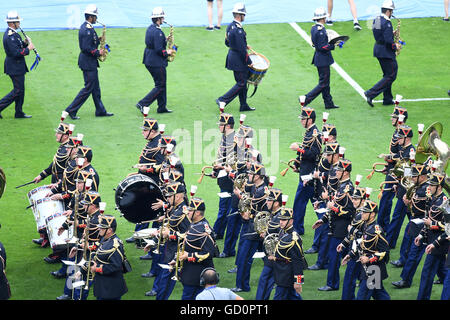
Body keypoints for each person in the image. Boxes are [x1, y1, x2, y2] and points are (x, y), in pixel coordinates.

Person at [313, 158, 355, 291]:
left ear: (346, 173)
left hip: (341, 227)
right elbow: (333, 207)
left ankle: (332, 284)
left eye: (339, 170)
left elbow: (350, 211)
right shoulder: (340, 186)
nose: (336, 172)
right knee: (347, 255)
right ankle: (359, 276)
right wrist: (323, 220)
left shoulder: (347, 188)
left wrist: (334, 208)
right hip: (334, 225)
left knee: (334, 256)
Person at [64, 4, 113, 120]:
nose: (96, 19)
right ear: (91, 17)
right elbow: (85, 47)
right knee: (88, 88)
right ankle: (71, 110)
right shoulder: (86, 29)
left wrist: (99, 40)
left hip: (89, 62)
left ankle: (100, 110)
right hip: (87, 62)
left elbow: (90, 42)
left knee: (95, 88)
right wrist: (98, 52)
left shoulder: (88, 27)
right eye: (95, 16)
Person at [342, 200, 391, 300]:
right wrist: (350, 254)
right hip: (368, 269)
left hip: (373, 270)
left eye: (365, 212)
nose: (362, 214)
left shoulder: (377, 230)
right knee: (379, 294)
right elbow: (361, 243)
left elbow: (385, 251)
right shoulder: (366, 226)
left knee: (362, 296)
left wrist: (369, 259)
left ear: (372, 214)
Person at [232, 163, 268, 293]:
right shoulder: (257, 188)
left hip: (254, 228)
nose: (249, 175)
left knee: (244, 258)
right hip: (255, 227)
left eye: (251, 174)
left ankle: (242, 286)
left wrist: (241, 196)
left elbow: (251, 206)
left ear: (258, 176)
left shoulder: (260, 191)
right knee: (268, 257)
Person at [216, 3, 254, 112]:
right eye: (243, 15)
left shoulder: (230, 26)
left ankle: (243, 105)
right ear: (239, 15)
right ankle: (222, 100)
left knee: (242, 82)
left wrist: (241, 45)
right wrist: (249, 61)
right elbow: (242, 50)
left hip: (233, 57)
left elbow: (227, 42)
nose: (244, 17)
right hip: (239, 60)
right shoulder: (238, 30)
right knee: (241, 83)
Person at [290, 107, 322, 235]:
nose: (301, 121)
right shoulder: (309, 132)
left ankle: (297, 229)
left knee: (300, 204)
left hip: (308, 176)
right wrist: (297, 164)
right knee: (314, 203)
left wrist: (298, 149)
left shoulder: (315, 134)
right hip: (306, 173)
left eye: (303, 119)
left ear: (310, 119)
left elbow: (314, 154)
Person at [136, 7, 174, 114]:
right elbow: (159, 49)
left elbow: (152, 42)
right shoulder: (158, 32)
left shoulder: (151, 28)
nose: (163, 19)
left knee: (161, 84)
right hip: (156, 62)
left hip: (149, 59)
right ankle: (143, 103)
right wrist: (168, 52)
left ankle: (162, 107)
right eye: (162, 18)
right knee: (160, 85)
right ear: (158, 18)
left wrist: (164, 39)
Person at [416, 173, 448, 299]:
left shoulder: (445, 203)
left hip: (439, 244)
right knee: (443, 270)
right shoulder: (432, 198)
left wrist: (432, 224)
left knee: (427, 273)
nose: (429, 187)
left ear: (439, 187)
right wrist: (421, 235)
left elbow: (448, 227)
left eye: (432, 185)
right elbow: (427, 218)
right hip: (431, 240)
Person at [376, 106, 408, 231]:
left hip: (397, 172)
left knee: (386, 198)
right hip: (393, 169)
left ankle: (381, 225)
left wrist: (388, 158)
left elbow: (401, 156)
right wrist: (388, 165)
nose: (391, 119)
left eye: (394, 117)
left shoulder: (401, 133)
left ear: (400, 118)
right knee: (386, 199)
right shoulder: (398, 132)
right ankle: (383, 224)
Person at [179, 197, 217, 300]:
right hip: (190, 272)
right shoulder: (194, 224)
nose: (188, 212)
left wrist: (188, 256)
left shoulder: (203, 230)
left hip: (197, 274)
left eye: (190, 210)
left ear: (197, 213)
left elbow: (209, 253)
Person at [302, 7, 339, 110]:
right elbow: (322, 47)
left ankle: (329, 103)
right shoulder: (321, 30)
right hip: (323, 59)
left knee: (325, 82)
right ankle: (306, 99)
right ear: (322, 18)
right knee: (323, 83)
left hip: (320, 59)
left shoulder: (314, 28)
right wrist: (333, 45)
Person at [364, 0, 399, 107]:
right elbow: (388, 41)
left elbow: (378, 34)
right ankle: (371, 93)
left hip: (378, 49)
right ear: (388, 11)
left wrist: (390, 33)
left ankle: (387, 98)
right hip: (386, 52)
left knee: (387, 74)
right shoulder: (387, 22)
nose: (392, 13)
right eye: (391, 10)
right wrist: (395, 46)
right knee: (391, 75)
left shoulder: (377, 19)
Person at [0, 10, 33, 119]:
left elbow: (18, 47)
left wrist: (24, 43)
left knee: (20, 90)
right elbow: (16, 53)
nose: (19, 24)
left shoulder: (14, 34)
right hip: (14, 67)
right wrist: (28, 49)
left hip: (17, 66)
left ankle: (19, 112)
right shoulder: (10, 36)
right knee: (17, 91)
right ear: (12, 23)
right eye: (18, 22)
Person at [271, 207, 307, 300]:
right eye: (280, 219)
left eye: (284, 220)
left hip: (286, 277)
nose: (281, 222)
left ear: (291, 221)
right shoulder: (282, 231)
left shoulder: (294, 238)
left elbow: (297, 261)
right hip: (281, 274)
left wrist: (298, 282)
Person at [91, 215, 128, 300]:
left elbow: (116, 266)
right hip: (104, 285)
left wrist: (97, 269)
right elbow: (98, 254)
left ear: (110, 230)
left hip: (111, 288)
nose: (99, 229)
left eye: (102, 228)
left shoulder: (115, 245)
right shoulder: (105, 239)